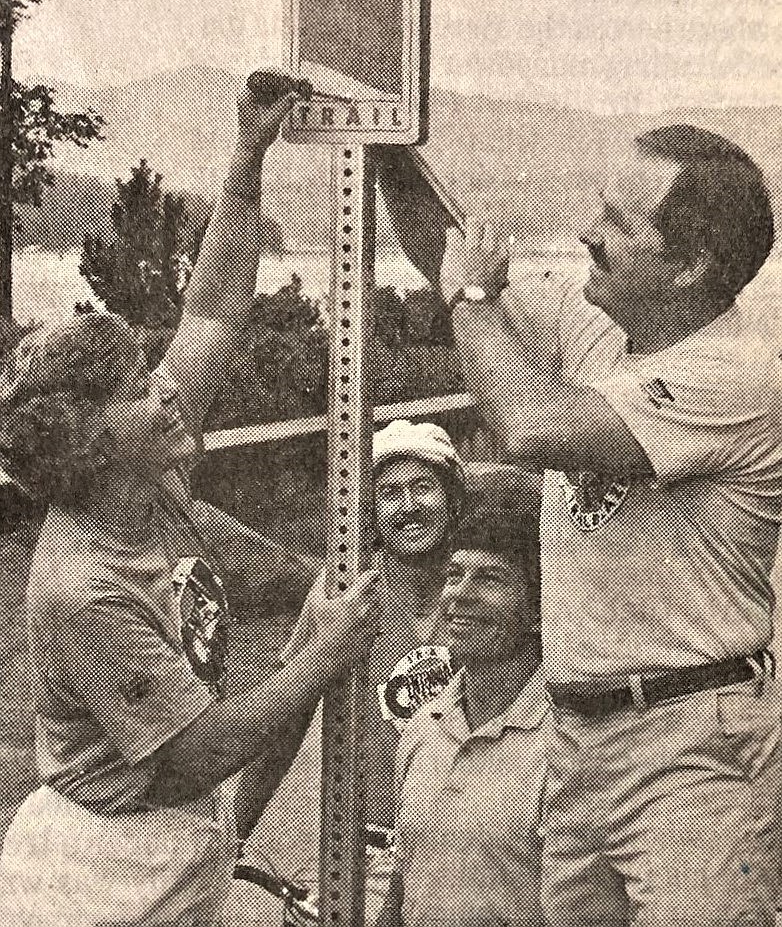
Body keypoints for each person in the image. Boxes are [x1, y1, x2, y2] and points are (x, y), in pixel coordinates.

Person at [0, 76, 382, 927]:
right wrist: (324, 653)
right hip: (100, 870)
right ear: (93, 441)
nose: (167, 391)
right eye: (141, 389)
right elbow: (197, 749)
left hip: (168, 838)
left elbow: (210, 312)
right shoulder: (82, 586)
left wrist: (248, 160)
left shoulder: (145, 474)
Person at [379, 125, 782, 926]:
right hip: (579, 741)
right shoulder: (602, 319)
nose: (586, 234)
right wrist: (385, 131)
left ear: (691, 266)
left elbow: (528, 423)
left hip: (691, 753)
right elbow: (443, 251)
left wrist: (471, 297)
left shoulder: (736, 375)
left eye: (619, 223)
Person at [243, 419, 473, 921]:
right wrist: (237, 831)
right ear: (368, 511)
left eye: (423, 488)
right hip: (361, 854)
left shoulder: (485, 597)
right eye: (389, 494)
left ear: (453, 499)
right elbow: (288, 713)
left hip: (462, 847)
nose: (408, 506)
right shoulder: (345, 591)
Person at [376, 510, 546, 927]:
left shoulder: (563, 736)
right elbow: (403, 889)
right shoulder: (423, 727)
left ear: (540, 612)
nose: (460, 595)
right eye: (454, 575)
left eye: (489, 579)